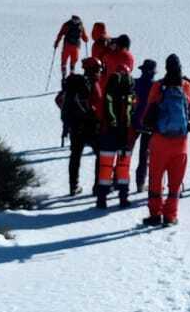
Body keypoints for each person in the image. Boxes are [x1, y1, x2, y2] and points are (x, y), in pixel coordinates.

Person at [140, 54, 190, 226]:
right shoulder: (186, 86)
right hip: (180, 144)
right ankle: (170, 215)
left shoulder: (158, 87)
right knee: (174, 184)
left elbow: (147, 115)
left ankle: (155, 215)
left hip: (159, 141)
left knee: (155, 180)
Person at [56, 57, 102, 196]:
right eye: (99, 69)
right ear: (94, 70)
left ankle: (73, 186)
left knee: (75, 156)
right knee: (100, 155)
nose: (100, 72)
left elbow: (59, 99)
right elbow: (98, 103)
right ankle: (97, 186)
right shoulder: (92, 84)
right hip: (91, 125)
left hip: (75, 126)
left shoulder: (73, 85)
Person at [94, 63, 136, 208]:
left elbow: (100, 111)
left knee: (105, 167)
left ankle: (101, 199)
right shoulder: (131, 94)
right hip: (126, 134)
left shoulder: (108, 92)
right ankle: (123, 198)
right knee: (123, 167)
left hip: (108, 134)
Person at [130, 58, 156, 192]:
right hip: (147, 124)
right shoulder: (155, 86)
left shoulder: (134, 83)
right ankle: (140, 184)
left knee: (126, 153)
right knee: (144, 155)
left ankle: (119, 180)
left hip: (133, 122)